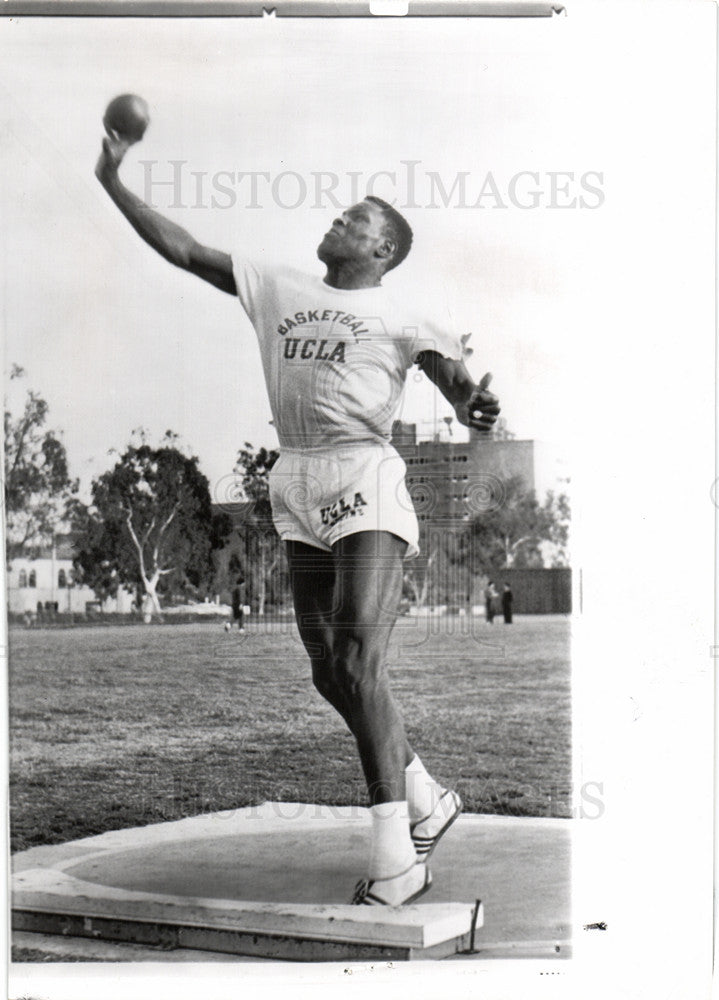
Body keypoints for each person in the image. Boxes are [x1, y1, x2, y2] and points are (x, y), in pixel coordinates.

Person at [96, 128, 500, 907]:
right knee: (326, 669)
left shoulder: (403, 312)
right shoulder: (278, 285)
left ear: (382, 251)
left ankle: (397, 861)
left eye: (355, 222)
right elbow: (183, 249)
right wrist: (112, 177)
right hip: (297, 477)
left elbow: (460, 390)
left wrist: (474, 407)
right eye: (341, 216)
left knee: (356, 658)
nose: (337, 224)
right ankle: (424, 795)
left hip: (363, 472)